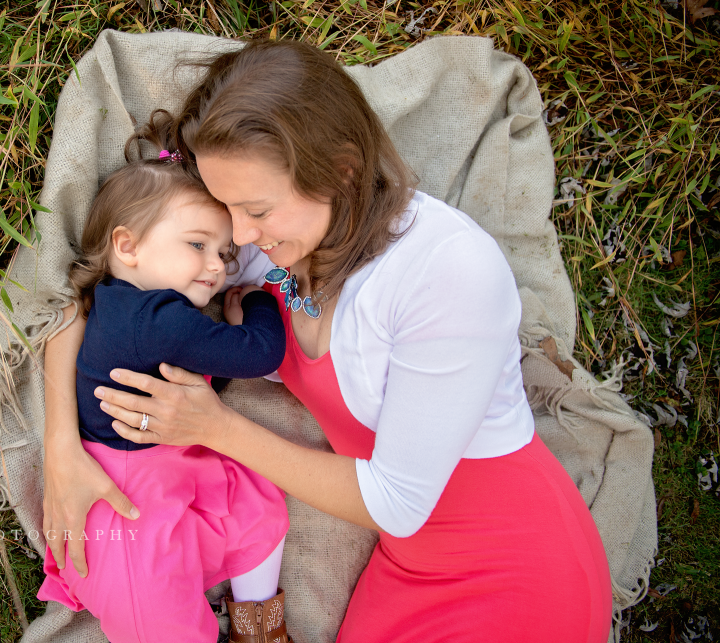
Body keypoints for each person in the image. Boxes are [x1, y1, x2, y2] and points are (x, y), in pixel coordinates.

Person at [43, 39, 614, 643]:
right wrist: (61, 447)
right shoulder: (270, 248)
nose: (239, 235)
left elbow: (396, 502)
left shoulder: (447, 272)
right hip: (405, 566)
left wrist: (215, 428)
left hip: (513, 572)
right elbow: (89, 304)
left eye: (255, 208)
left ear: (340, 169)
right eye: (229, 209)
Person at [37, 119, 294, 643]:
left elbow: (198, 371)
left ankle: (258, 627)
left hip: (169, 465)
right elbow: (260, 352)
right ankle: (257, 624)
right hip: (124, 495)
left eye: (224, 255)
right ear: (127, 247)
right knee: (158, 615)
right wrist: (262, 301)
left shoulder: (120, 303)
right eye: (198, 245)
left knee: (256, 508)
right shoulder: (160, 319)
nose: (219, 268)